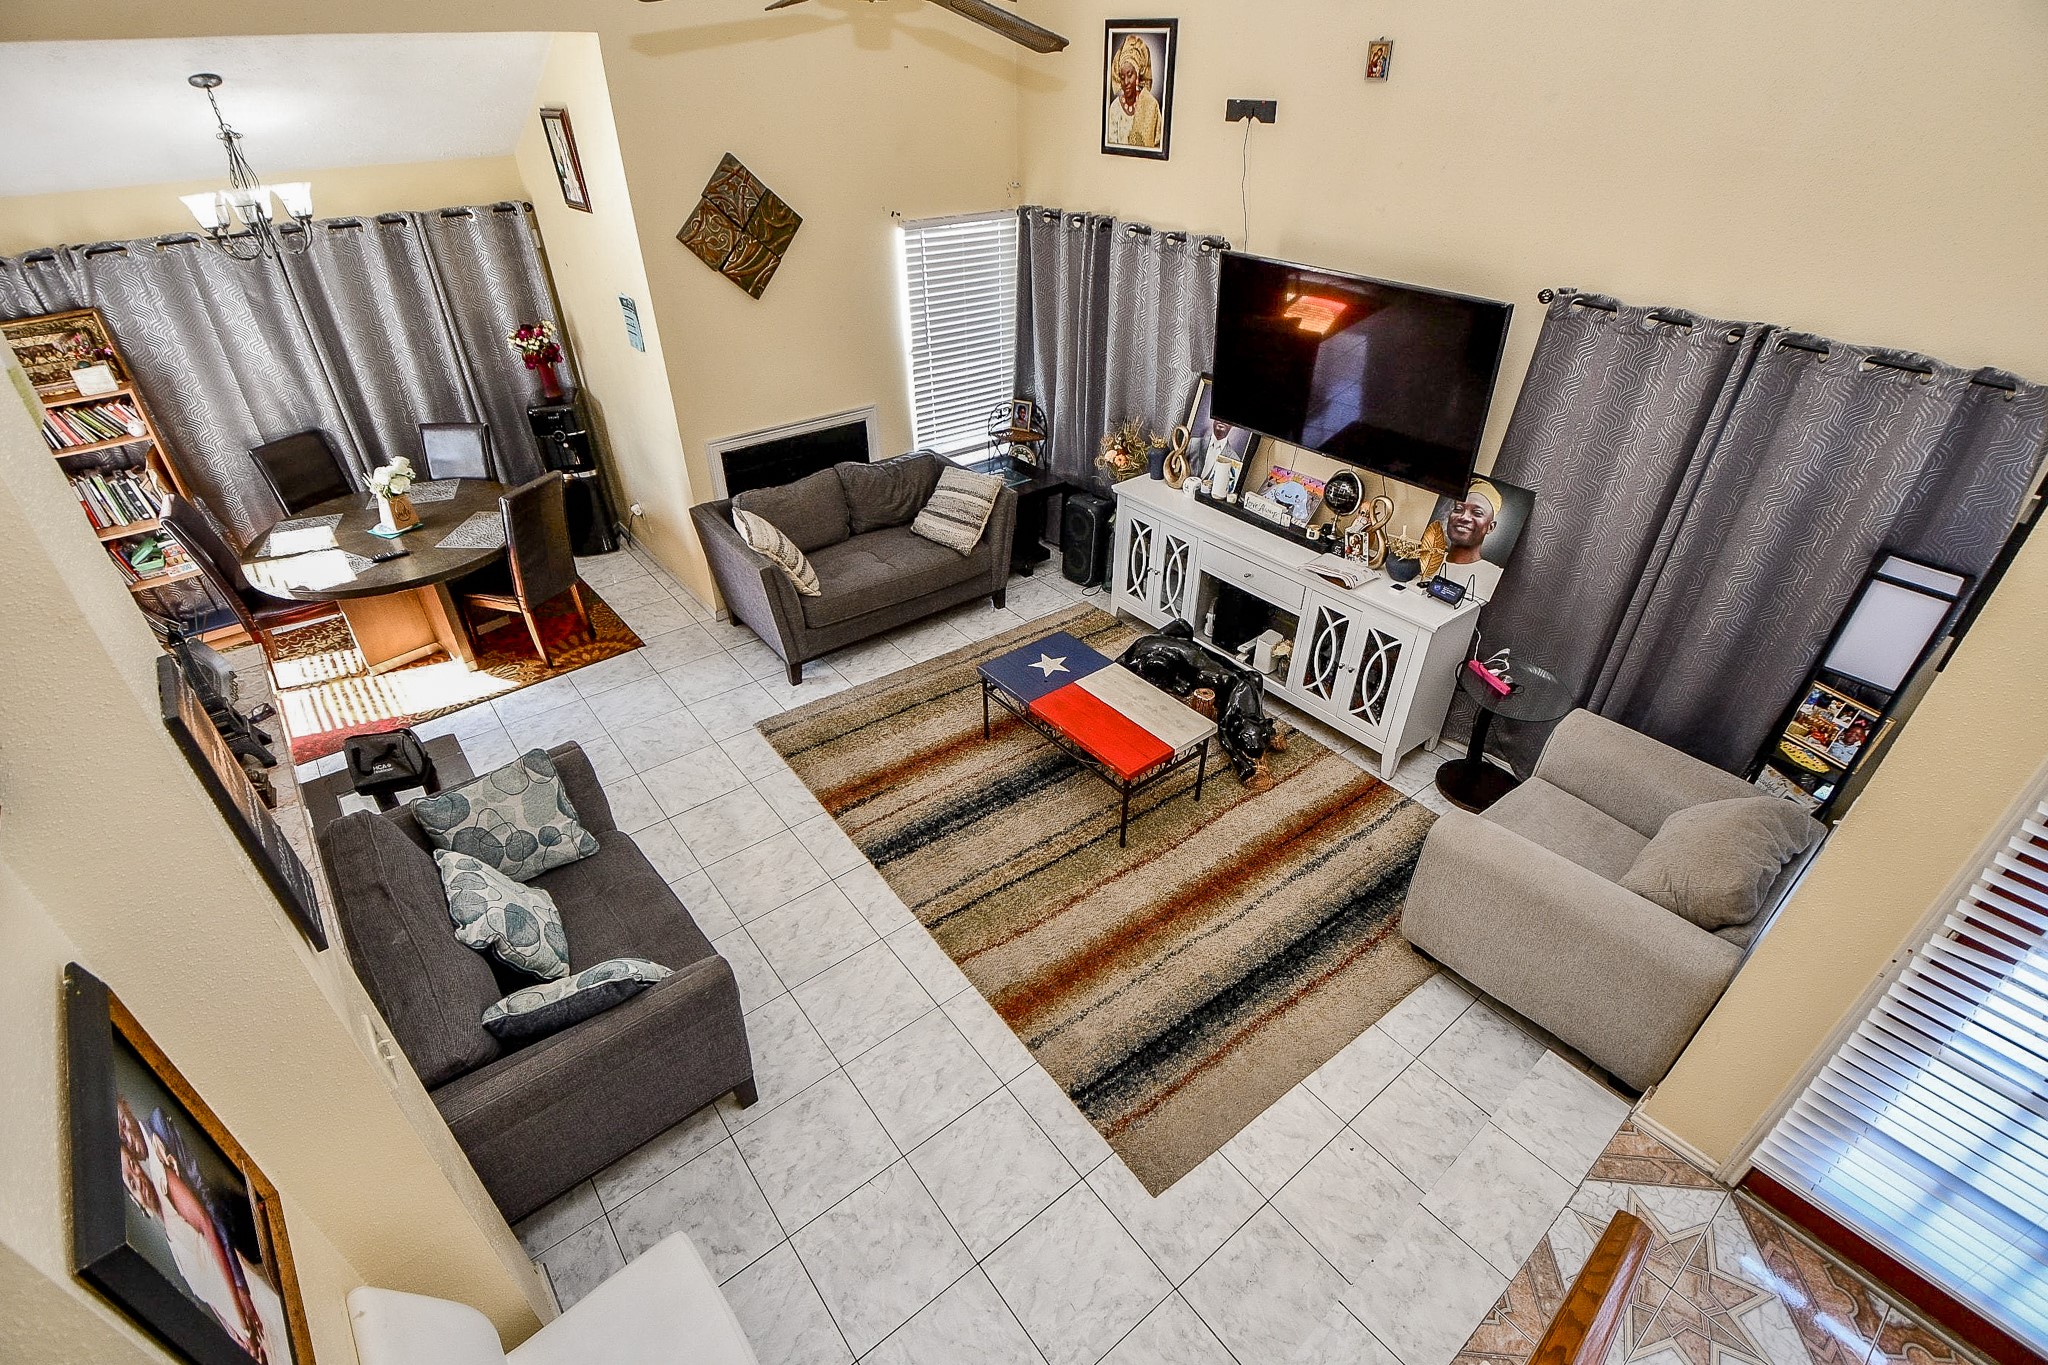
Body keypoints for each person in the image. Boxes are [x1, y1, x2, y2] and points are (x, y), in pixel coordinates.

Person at [1436, 477, 1504, 600]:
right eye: (1458, 509)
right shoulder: (1429, 559)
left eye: (1477, 513)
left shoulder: (1495, 576)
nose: (1464, 517)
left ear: (1490, 527)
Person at [1106, 35, 1163, 149]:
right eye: (1122, 77)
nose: (1126, 82)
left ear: (1137, 75)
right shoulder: (1115, 108)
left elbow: (1158, 145)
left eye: (1130, 75)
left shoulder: (1151, 105)